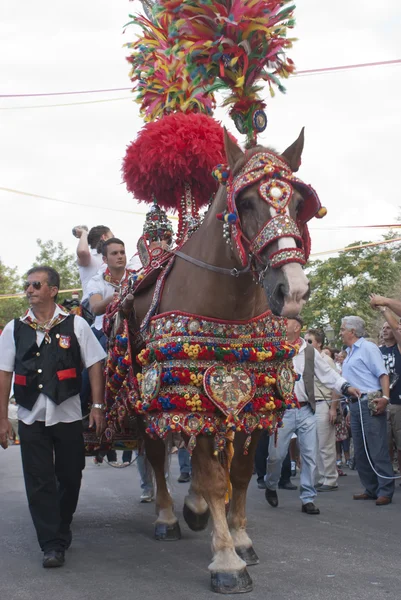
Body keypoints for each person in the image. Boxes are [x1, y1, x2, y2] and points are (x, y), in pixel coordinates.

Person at [0, 266, 106, 568]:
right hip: (31, 416)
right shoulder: (14, 328)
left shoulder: (76, 325)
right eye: (28, 285)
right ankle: (51, 543)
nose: (29, 289)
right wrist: (2, 419)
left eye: (36, 285)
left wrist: (97, 406)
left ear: (53, 290)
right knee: (38, 481)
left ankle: (61, 526)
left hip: (68, 415)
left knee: (71, 477)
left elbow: (96, 363)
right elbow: (4, 372)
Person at [265, 317, 359, 515]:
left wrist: (346, 386)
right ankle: (271, 484)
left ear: (296, 327)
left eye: (286, 323)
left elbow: (328, 374)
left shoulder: (309, 352)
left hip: (307, 410)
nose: (281, 325)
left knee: (310, 456)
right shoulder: (275, 349)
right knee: (276, 456)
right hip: (282, 412)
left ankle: (308, 497)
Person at [340, 315, 395, 505]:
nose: (340, 333)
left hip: (369, 401)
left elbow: (383, 373)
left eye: (342, 329)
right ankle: (370, 488)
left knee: (377, 447)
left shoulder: (368, 348)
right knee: (361, 450)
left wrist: (385, 398)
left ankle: (385, 490)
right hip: (354, 404)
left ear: (352, 332)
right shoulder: (350, 352)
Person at [304, 328, 340, 491]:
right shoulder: (308, 359)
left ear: (319, 343)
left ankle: (331, 478)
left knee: (326, 444)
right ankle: (323, 476)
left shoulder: (326, 360)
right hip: (312, 404)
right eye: (305, 340)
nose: (306, 343)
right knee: (316, 444)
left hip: (324, 403)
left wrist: (333, 408)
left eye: (310, 341)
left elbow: (336, 384)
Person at [73, 225, 113, 302]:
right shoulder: (91, 258)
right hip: (90, 305)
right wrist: (84, 233)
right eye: (112, 236)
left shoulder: (113, 259)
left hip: (111, 304)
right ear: (104, 237)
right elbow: (82, 251)